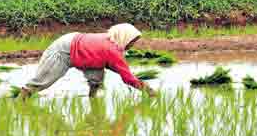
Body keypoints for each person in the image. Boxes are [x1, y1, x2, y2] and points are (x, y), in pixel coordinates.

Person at [17, 23, 156, 98]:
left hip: (83, 51)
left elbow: (117, 68)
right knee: (42, 81)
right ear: (124, 37)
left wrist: (131, 77)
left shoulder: (112, 41)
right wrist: (147, 89)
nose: (132, 45)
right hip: (64, 50)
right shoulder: (112, 50)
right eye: (132, 41)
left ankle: (92, 99)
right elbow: (127, 77)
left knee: (96, 78)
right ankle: (20, 100)